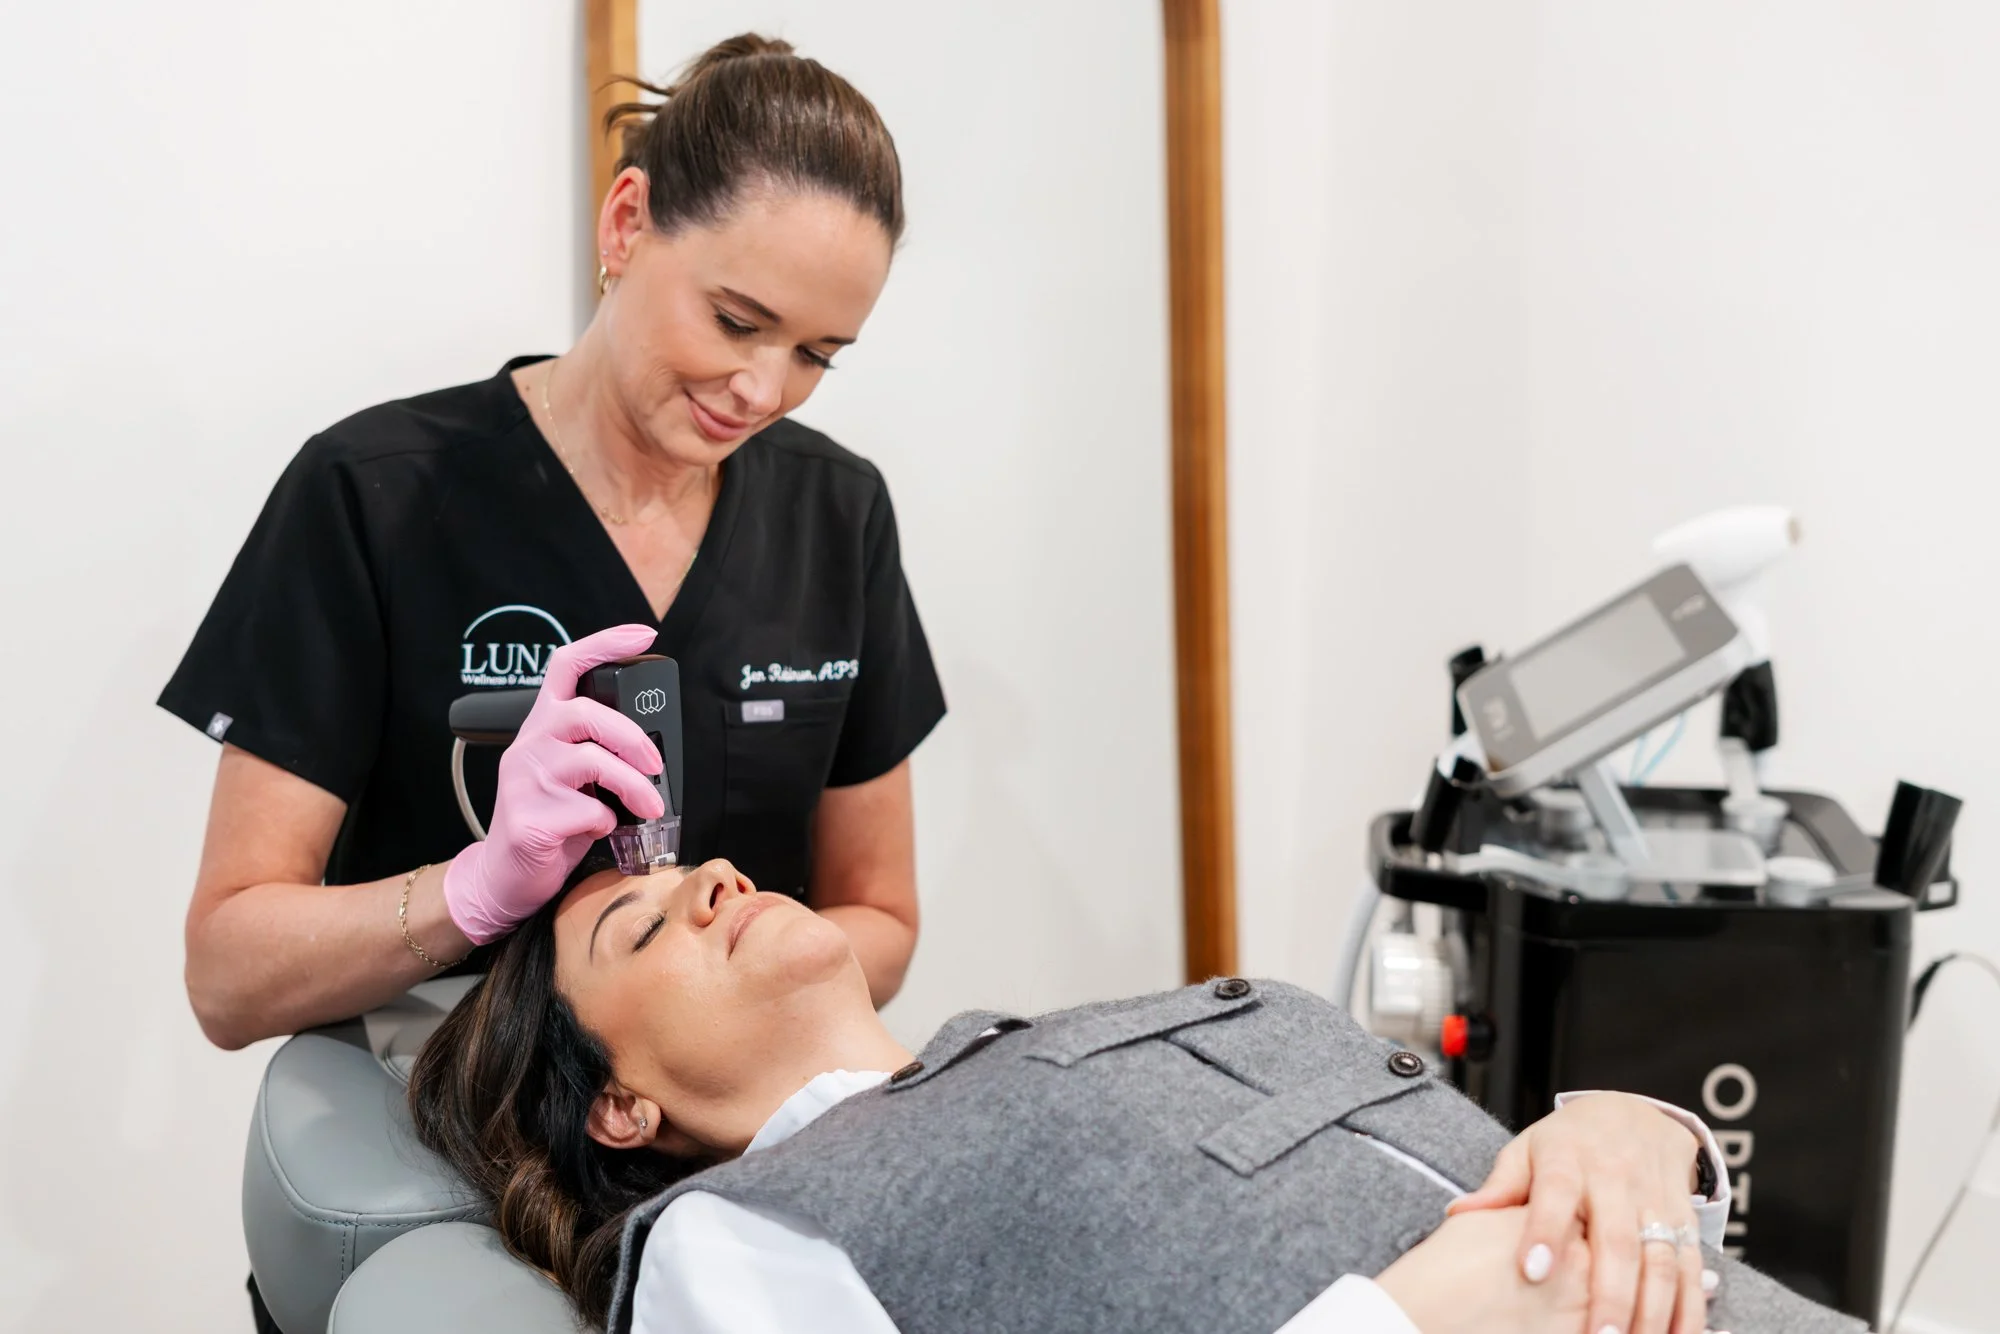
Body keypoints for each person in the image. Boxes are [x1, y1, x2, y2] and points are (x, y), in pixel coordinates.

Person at [158, 33, 942, 1068]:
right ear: (626, 223)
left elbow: (878, 916)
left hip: (717, 1115)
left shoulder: (836, 512)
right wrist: (474, 890)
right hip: (443, 1105)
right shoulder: (372, 494)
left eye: (813, 355)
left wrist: (709, 989)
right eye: (734, 319)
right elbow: (228, 973)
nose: (762, 389)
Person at [409, 851, 1861, 1334]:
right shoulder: (735, 1239)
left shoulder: (1049, 1034)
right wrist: (1413, 1315)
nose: (715, 873)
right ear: (620, 1107)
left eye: (692, 864)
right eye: (647, 924)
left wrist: (1631, 1126)